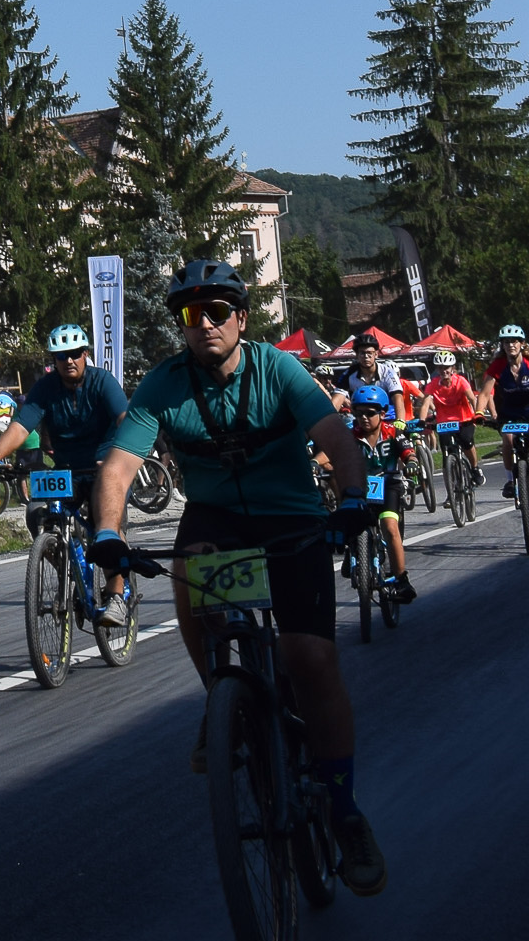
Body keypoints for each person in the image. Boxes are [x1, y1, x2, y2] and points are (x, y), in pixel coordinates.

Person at [88, 257, 385, 896]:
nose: (205, 323)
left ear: (242, 319)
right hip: (217, 516)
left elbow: (336, 436)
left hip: (291, 515)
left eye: (218, 311)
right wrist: (107, 534)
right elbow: (117, 467)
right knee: (188, 569)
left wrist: (354, 498)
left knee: (311, 659)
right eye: (191, 314)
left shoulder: (278, 369)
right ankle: (220, 693)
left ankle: (345, 811)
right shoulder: (163, 385)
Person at [0, 324, 128, 620]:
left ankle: (117, 595)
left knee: (105, 525)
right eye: (61, 355)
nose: (69, 360)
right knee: (36, 514)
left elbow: (124, 419)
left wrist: (119, 456)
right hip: (66, 471)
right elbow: (21, 426)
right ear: (54, 360)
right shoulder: (45, 388)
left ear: (85, 354)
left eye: (75, 353)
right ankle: (68, 566)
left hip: (104, 467)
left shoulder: (103, 381)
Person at [347, 382, 417, 603]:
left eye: (369, 413)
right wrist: (315, 463)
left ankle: (402, 580)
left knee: (389, 526)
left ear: (383, 414)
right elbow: (331, 454)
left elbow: (408, 452)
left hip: (389, 484)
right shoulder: (350, 435)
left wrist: (412, 462)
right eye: (358, 413)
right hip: (360, 485)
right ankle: (352, 547)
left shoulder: (392, 432)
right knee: (347, 514)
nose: (364, 418)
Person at [478, 324, 529, 497]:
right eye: (506, 342)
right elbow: (485, 393)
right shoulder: (498, 365)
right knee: (508, 440)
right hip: (509, 412)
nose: (511, 345)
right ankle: (510, 480)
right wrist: (479, 413)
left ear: (522, 343)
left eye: (514, 341)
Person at [421, 347, 480, 482]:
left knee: (467, 442)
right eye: (440, 368)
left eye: (446, 367)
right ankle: (451, 486)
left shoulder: (461, 381)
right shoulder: (432, 384)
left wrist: (478, 414)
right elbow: (425, 404)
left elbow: (472, 398)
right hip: (444, 422)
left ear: (452, 368)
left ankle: (475, 468)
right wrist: (422, 420)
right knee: (446, 453)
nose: (444, 371)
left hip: (464, 419)